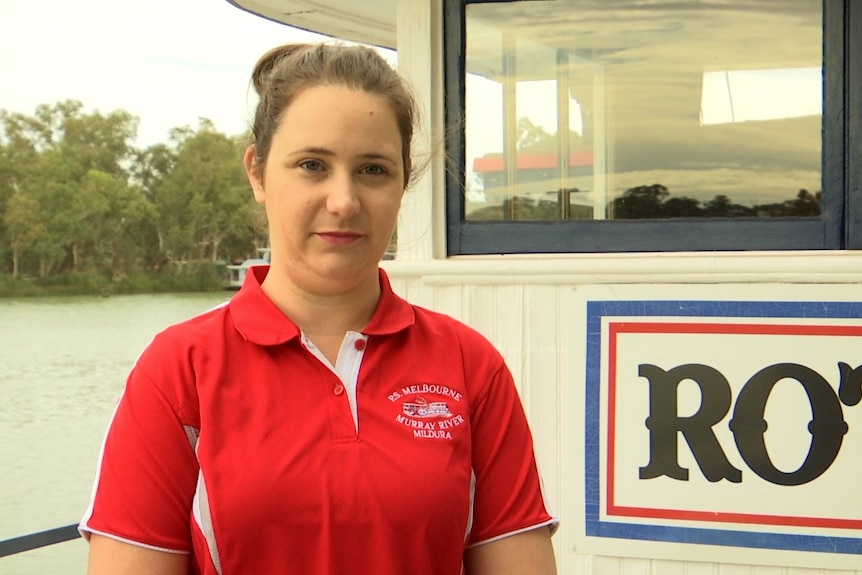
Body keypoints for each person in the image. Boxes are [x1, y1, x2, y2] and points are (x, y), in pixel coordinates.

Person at [79, 42, 558, 574]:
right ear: (257, 173)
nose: (344, 200)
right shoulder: (179, 372)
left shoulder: (470, 366)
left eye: (373, 170)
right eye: (312, 165)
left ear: (404, 183)